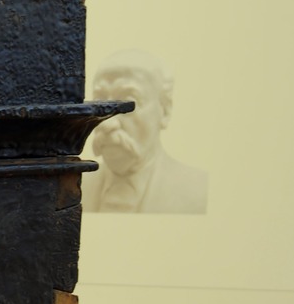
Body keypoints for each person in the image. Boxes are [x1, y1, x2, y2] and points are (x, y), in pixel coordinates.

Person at [81, 50, 209, 215]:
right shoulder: (73, 190)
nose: (108, 124)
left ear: (165, 110)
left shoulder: (196, 193)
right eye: (99, 103)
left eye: (129, 104)